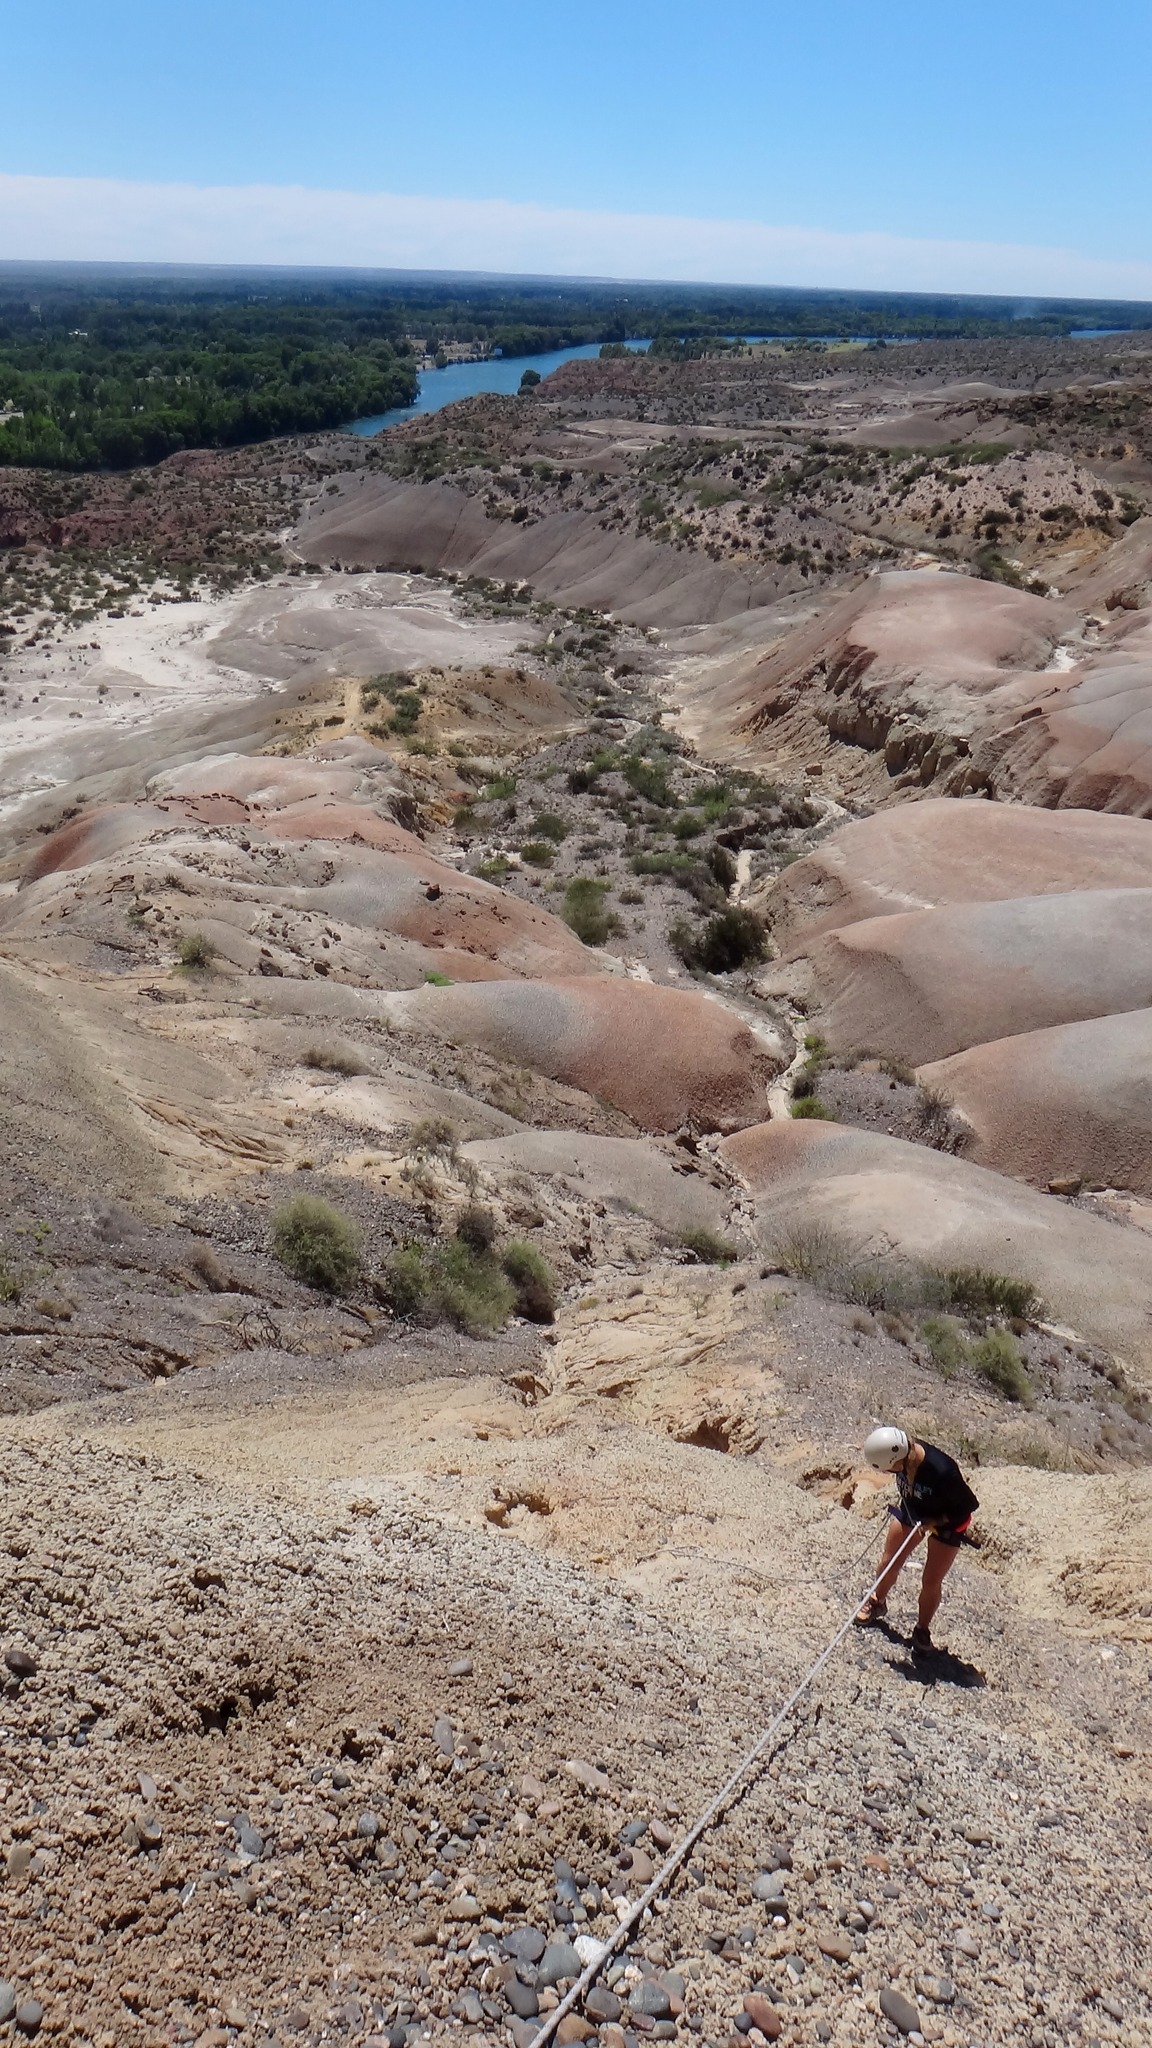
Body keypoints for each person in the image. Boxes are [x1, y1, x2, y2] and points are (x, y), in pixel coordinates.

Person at [854, 1427, 979, 1655]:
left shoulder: (943, 1471)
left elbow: (968, 1507)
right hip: (915, 1509)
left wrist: (934, 1522)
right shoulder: (901, 1458)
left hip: (949, 1520)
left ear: (897, 1459)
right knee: (889, 1561)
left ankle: (922, 1629)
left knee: (931, 1580)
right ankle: (877, 1601)